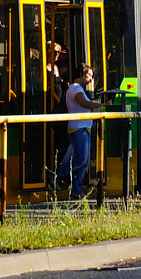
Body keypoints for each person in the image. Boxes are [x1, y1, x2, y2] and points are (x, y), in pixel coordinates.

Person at [55, 63, 100, 198]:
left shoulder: (76, 89)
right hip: (79, 129)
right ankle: (58, 177)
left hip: (80, 128)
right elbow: (84, 103)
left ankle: (75, 187)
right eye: (90, 76)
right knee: (81, 160)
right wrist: (99, 104)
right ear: (82, 74)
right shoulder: (76, 90)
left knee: (78, 160)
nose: (91, 79)